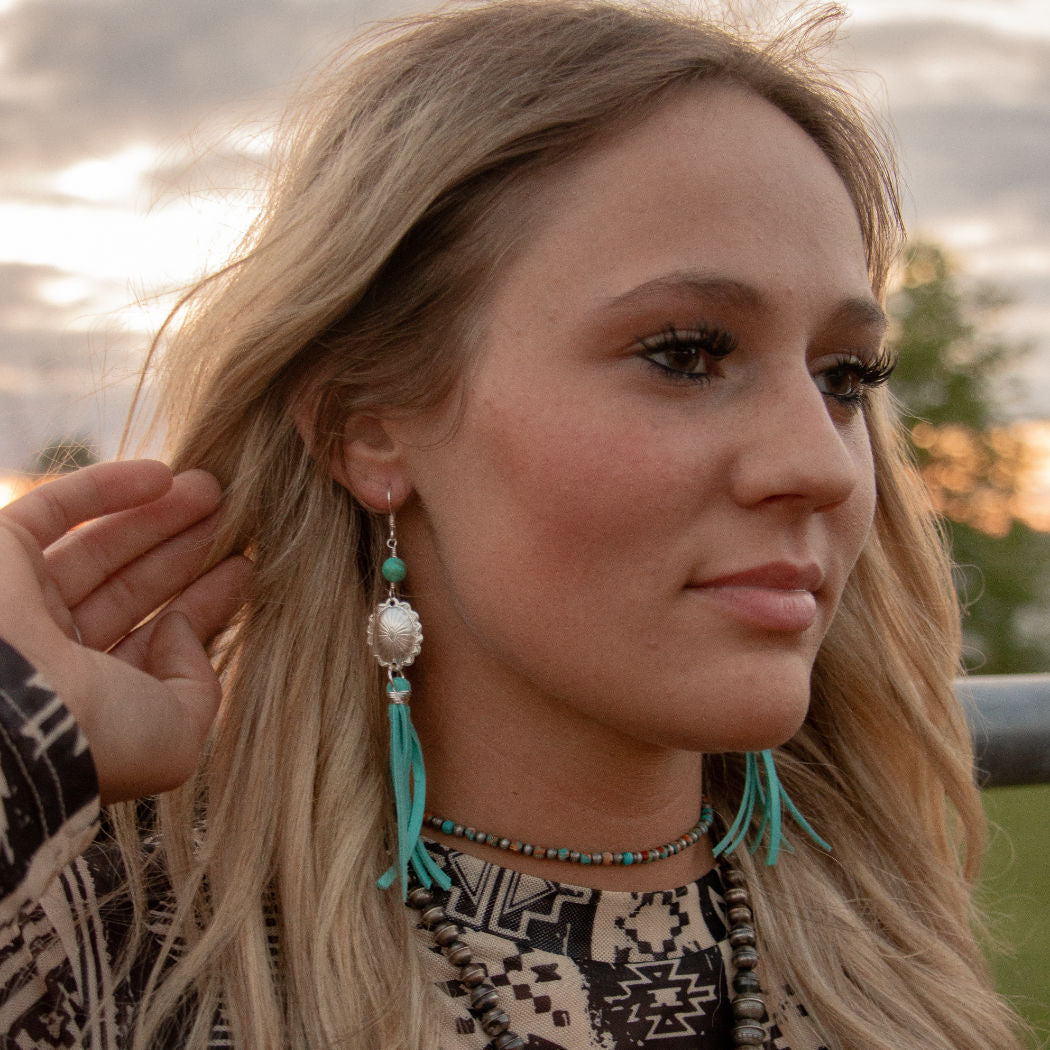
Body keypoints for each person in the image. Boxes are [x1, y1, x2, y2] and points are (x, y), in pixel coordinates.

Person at [0, 1, 1030, 1048]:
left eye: (844, 377)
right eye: (686, 353)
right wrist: (16, 737)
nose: (819, 461)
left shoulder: (893, 953)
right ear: (369, 432)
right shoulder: (104, 961)